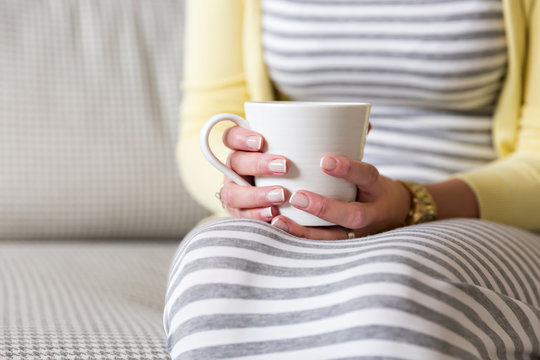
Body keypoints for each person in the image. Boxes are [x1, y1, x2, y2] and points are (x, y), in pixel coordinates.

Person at [164, 0, 540, 359]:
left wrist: (414, 203)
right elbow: (209, 119)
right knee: (215, 289)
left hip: (464, 217)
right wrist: (241, 182)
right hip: (289, 216)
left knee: (393, 304)